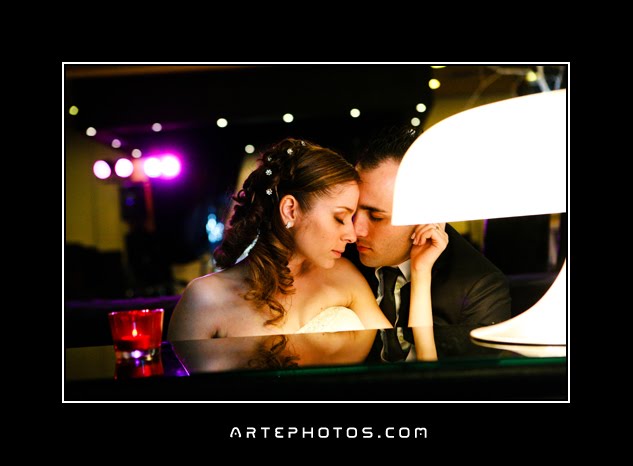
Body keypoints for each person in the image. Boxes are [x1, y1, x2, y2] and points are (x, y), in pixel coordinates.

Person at [167, 138, 394, 356]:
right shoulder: (204, 298)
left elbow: (398, 357)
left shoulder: (345, 275)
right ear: (290, 210)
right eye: (339, 218)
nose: (352, 235)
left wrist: (415, 269)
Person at [346, 125, 512, 362]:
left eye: (376, 217)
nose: (354, 231)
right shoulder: (337, 256)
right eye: (351, 210)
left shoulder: (478, 286)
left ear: (425, 214)